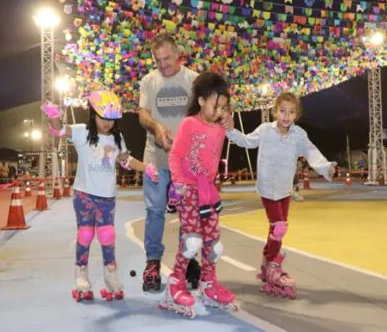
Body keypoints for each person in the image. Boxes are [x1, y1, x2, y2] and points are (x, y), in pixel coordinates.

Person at [41, 90, 159, 302]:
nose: (107, 123)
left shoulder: (117, 137)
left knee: (107, 236)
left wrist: (145, 167)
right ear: (93, 114)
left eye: (111, 119)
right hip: (84, 193)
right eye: (103, 117)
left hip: (107, 196)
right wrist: (54, 115)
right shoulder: (81, 132)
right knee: (85, 234)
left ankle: (110, 276)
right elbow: (59, 130)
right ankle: (81, 276)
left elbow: (125, 160)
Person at [225, 92, 336, 299]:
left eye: (291, 112)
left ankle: (268, 263)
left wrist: (325, 168)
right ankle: (272, 263)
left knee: (278, 228)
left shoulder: (299, 135)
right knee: (279, 226)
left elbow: (312, 152)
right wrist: (230, 130)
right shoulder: (265, 130)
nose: (286, 116)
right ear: (275, 111)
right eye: (282, 111)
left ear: (296, 115)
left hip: (285, 189)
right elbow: (247, 141)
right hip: (267, 187)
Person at [158, 72, 236, 318]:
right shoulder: (189, 124)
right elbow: (175, 155)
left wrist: (230, 125)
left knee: (215, 244)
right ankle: (175, 285)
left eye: (224, 107)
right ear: (202, 101)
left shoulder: (221, 127)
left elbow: (233, 135)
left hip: (208, 191)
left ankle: (208, 285)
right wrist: (179, 183)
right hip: (188, 189)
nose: (220, 111)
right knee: (192, 242)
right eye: (217, 105)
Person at [138, 33, 201, 291]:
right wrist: (156, 128)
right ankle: (153, 262)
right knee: (154, 211)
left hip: (187, 163)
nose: (163, 65)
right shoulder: (148, 81)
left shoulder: (194, 80)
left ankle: (189, 260)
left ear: (178, 54)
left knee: (189, 215)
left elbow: (204, 115)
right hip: (156, 159)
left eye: (167, 59)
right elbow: (143, 114)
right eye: (157, 60)